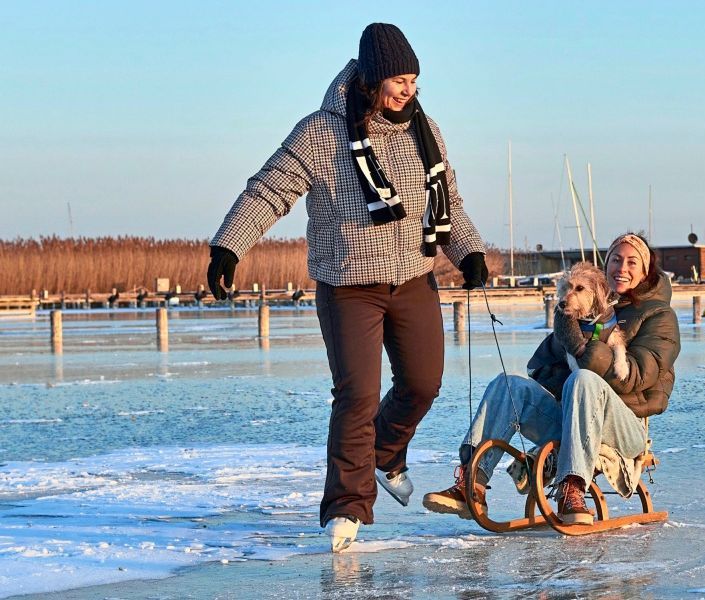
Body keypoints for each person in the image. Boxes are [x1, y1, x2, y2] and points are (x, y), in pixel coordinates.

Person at [207, 23, 488, 552]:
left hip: (413, 277)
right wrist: (229, 244)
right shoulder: (321, 132)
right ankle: (347, 505)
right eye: (399, 81)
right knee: (357, 394)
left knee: (423, 383)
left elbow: (447, 203)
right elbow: (269, 191)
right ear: (373, 79)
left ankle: (384, 452)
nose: (408, 91)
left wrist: (468, 251)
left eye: (414, 81)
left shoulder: (426, 130)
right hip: (348, 285)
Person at [422, 233, 680, 525]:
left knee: (584, 379)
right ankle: (472, 485)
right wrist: (566, 333)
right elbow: (540, 367)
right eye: (616, 260)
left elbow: (639, 376)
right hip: (573, 417)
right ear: (605, 266)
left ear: (646, 270)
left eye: (632, 262)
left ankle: (572, 488)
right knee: (507, 385)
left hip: (625, 427)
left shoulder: (659, 316)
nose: (622, 268)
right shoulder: (580, 305)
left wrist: (586, 350)